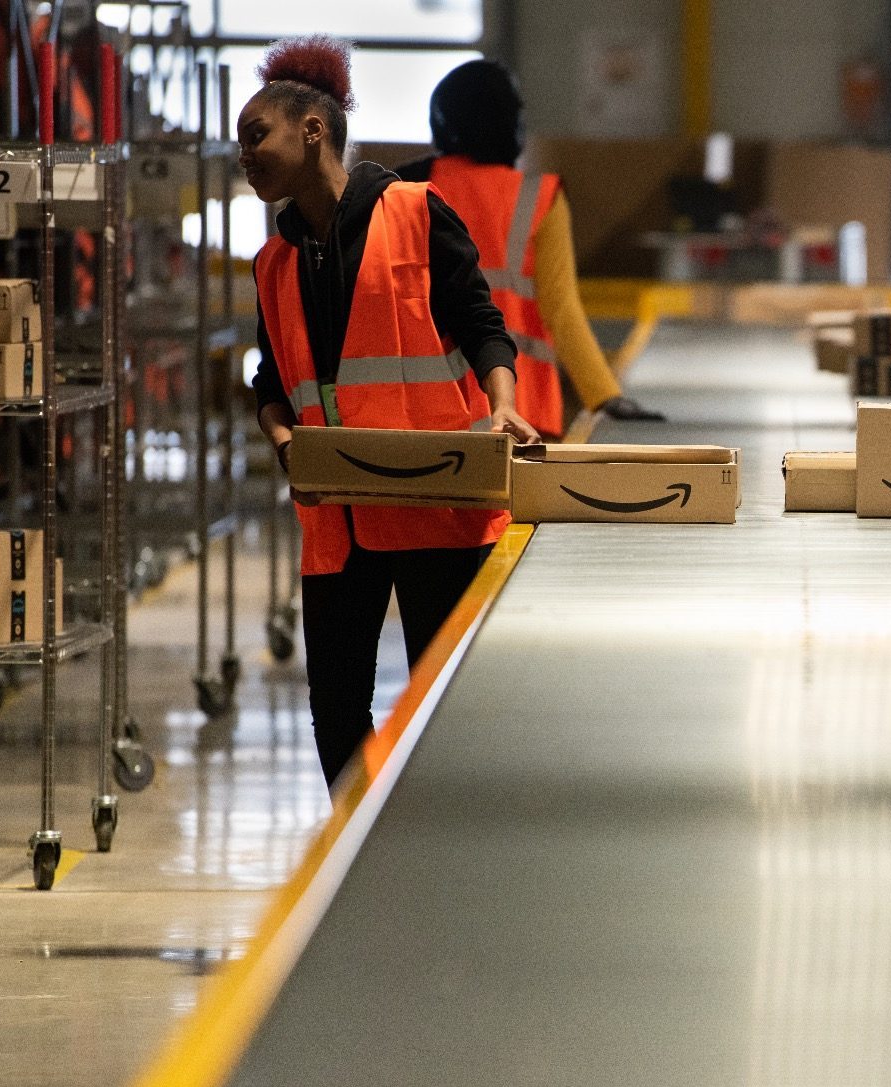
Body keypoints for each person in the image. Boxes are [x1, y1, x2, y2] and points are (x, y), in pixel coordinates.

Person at [240, 36, 538, 787]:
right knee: (336, 713)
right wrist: (285, 442)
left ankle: (447, 839)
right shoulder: (273, 262)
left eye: (256, 136)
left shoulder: (414, 211)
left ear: (313, 129)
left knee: (448, 706)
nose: (245, 156)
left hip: (436, 503)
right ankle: (358, 839)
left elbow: (482, 324)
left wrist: (503, 406)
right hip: (337, 519)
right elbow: (270, 382)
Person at [395, 59, 664, 439]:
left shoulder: (406, 187)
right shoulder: (539, 198)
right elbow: (561, 308)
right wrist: (605, 396)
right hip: (518, 408)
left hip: (430, 402)